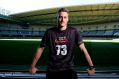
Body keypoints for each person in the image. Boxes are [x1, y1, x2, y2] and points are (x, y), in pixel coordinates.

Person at [29, 8, 95, 79]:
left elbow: (83, 50)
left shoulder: (74, 32)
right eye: (60, 17)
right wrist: (32, 66)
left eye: (65, 17)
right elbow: (40, 49)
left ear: (68, 19)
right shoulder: (49, 32)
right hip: (52, 71)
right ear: (57, 18)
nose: (62, 20)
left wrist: (91, 67)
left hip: (69, 70)